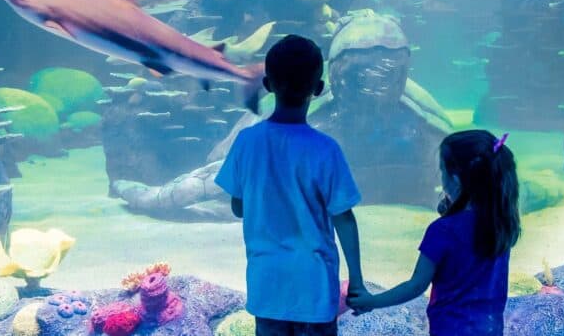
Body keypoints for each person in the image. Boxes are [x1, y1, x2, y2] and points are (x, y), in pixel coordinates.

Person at [214, 35, 368, 335]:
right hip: (315, 283)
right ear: (319, 88)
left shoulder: (246, 142)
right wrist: (357, 279)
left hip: (267, 281)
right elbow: (344, 218)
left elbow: (237, 206)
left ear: (268, 84)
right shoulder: (326, 149)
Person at [345, 130, 520, 336]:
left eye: (442, 170)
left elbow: (416, 286)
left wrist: (372, 301)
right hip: (490, 329)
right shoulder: (501, 224)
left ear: (455, 179)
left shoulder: (443, 230)